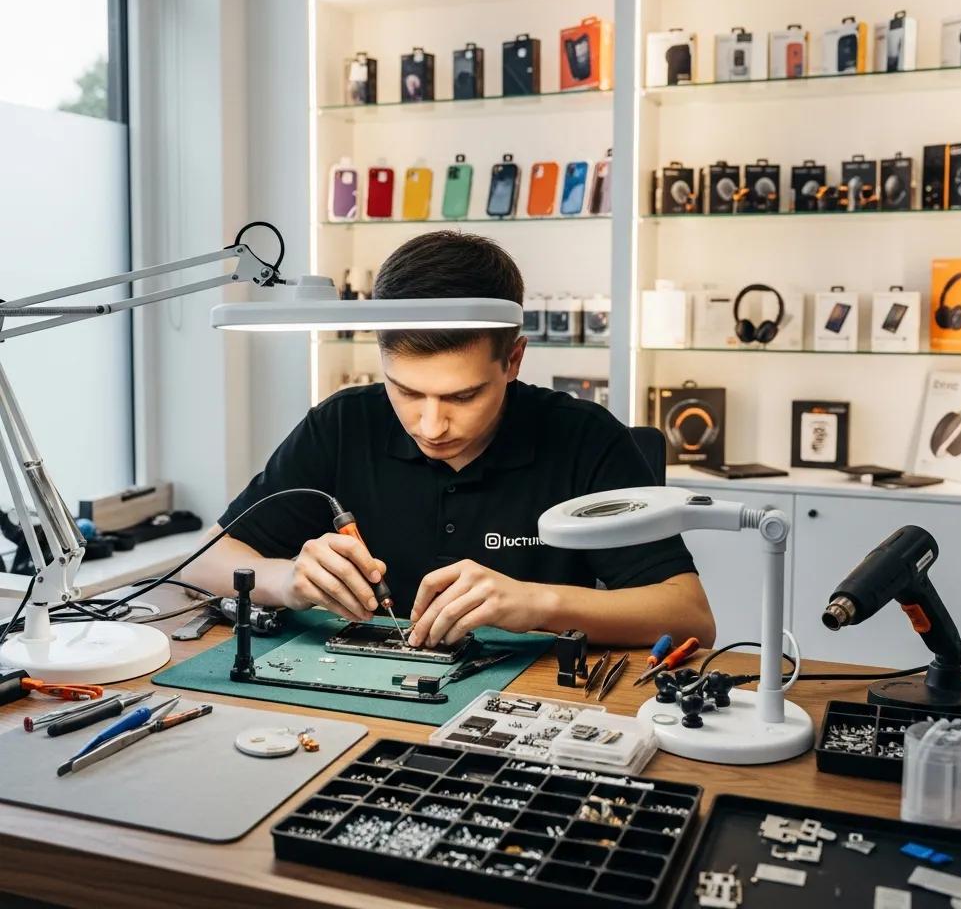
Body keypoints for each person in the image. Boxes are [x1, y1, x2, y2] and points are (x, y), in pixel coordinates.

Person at [184, 232, 715, 648]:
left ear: (513, 360)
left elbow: (689, 615)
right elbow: (203, 560)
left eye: (462, 397)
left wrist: (537, 604)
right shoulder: (344, 424)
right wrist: (288, 581)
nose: (430, 425)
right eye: (406, 390)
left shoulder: (584, 438)